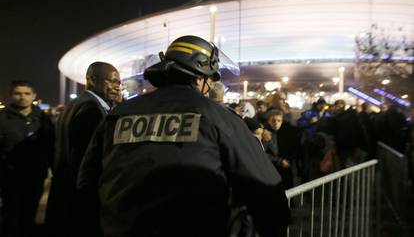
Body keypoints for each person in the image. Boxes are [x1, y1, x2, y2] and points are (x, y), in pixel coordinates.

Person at [77, 35, 290, 237]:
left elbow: (86, 182)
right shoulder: (219, 118)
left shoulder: (117, 115)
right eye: (210, 80)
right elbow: (266, 189)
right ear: (200, 77)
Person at [46, 62, 121, 237]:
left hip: (64, 187)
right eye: (112, 81)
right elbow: (88, 158)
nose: (117, 87)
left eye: (118, 83)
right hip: (79, 194)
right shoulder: (92, 109)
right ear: (92, 80)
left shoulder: (76, 104)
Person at [0, 80, 54, 237]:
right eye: (17, 93)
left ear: (33, 96)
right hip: (10, 177)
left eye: (26, 93)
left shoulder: (43, 118)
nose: (22, 97)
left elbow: (51, 144)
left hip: (36, 176)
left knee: (30, 214)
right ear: (11, 95)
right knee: (11, 216)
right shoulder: (2, 118)